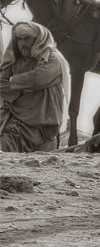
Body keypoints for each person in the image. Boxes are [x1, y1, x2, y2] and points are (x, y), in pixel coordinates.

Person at [0, 22, 71, 152]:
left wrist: (13, 82)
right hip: (15, 119)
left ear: (38, 39)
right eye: (19, 39)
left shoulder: (52, 58)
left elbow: (37, 78)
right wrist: (23, 87)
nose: (22, 43)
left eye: (26, 38)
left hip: (42, 123)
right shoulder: (15, 60)